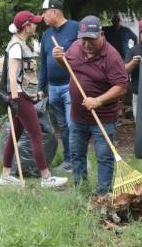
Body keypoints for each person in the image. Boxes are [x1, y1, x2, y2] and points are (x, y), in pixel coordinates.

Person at [52, 15, 128, 195]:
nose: (86, 44)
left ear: (101, 35)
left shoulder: (111, 56)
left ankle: (103, 194)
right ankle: (81, 191)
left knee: (104, 157)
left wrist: (99, 100)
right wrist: (60, 60)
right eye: (83, 39)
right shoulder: (75, 47)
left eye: (91, 39)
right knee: (76, 156)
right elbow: (69, 67)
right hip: (77, 117)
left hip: (103, 118)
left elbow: (122, 86)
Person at [0, 11, 68, 188]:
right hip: (20, 97)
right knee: (36, 135)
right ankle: (46, 178)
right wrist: (16, 99)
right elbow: (12, 75)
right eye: (34, 22)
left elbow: (25, 74)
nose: (37, 25)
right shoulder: (16, 46)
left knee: (14, 136)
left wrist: (34, 93)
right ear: (26, 26)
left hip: (23, 96)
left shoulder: (21, 44)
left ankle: (5, 176)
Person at [37, 0, 80, 173]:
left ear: (54, 12)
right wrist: (41, 87)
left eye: (44, 12)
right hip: (53, 88)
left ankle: (79, 159)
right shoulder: (47, 34)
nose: (42, 16)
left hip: (70, 85)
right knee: (63, 126)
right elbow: (43, 63)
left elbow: (84, 54)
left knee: (72, 124)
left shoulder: (75, 28)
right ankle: (68, 160)